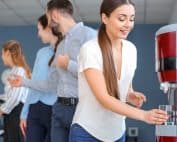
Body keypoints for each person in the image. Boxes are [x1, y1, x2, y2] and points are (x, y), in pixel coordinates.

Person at [69, 0, 169, 142]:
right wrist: (144, 115)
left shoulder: (131, 49)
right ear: (105, 18)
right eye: (122, 19)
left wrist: (129, 95)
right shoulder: (90, 50)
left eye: (132, 19)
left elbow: (124, 85)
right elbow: (104, 98)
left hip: (117, 132)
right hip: (88, 132)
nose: (128, 24)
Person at [8, 0, 97, 142]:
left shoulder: (90, 36)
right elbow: (51, 84)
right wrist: (23, 82)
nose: (48, 22)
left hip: (81, 109)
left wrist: (68, 64)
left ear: (54, 15)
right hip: (59, 109)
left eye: (48, 17)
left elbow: (96, 75)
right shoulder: (61, 46)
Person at [20, 14, 63, 142]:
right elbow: (33, 83)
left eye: (40, 29)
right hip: (34, 109)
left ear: (49, 28)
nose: (38, 34)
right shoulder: (41, 53)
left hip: (54, 109)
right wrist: (24, 113)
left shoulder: (65, 51)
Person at [1, 40, 31, 142]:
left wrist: (1, 110)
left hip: (16, 114)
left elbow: (15, 98)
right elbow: (11, 95)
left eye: (2, 53)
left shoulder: (19, 70)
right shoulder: (14, 70)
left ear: (7, 53)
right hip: (12, 113)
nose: (1, 57)